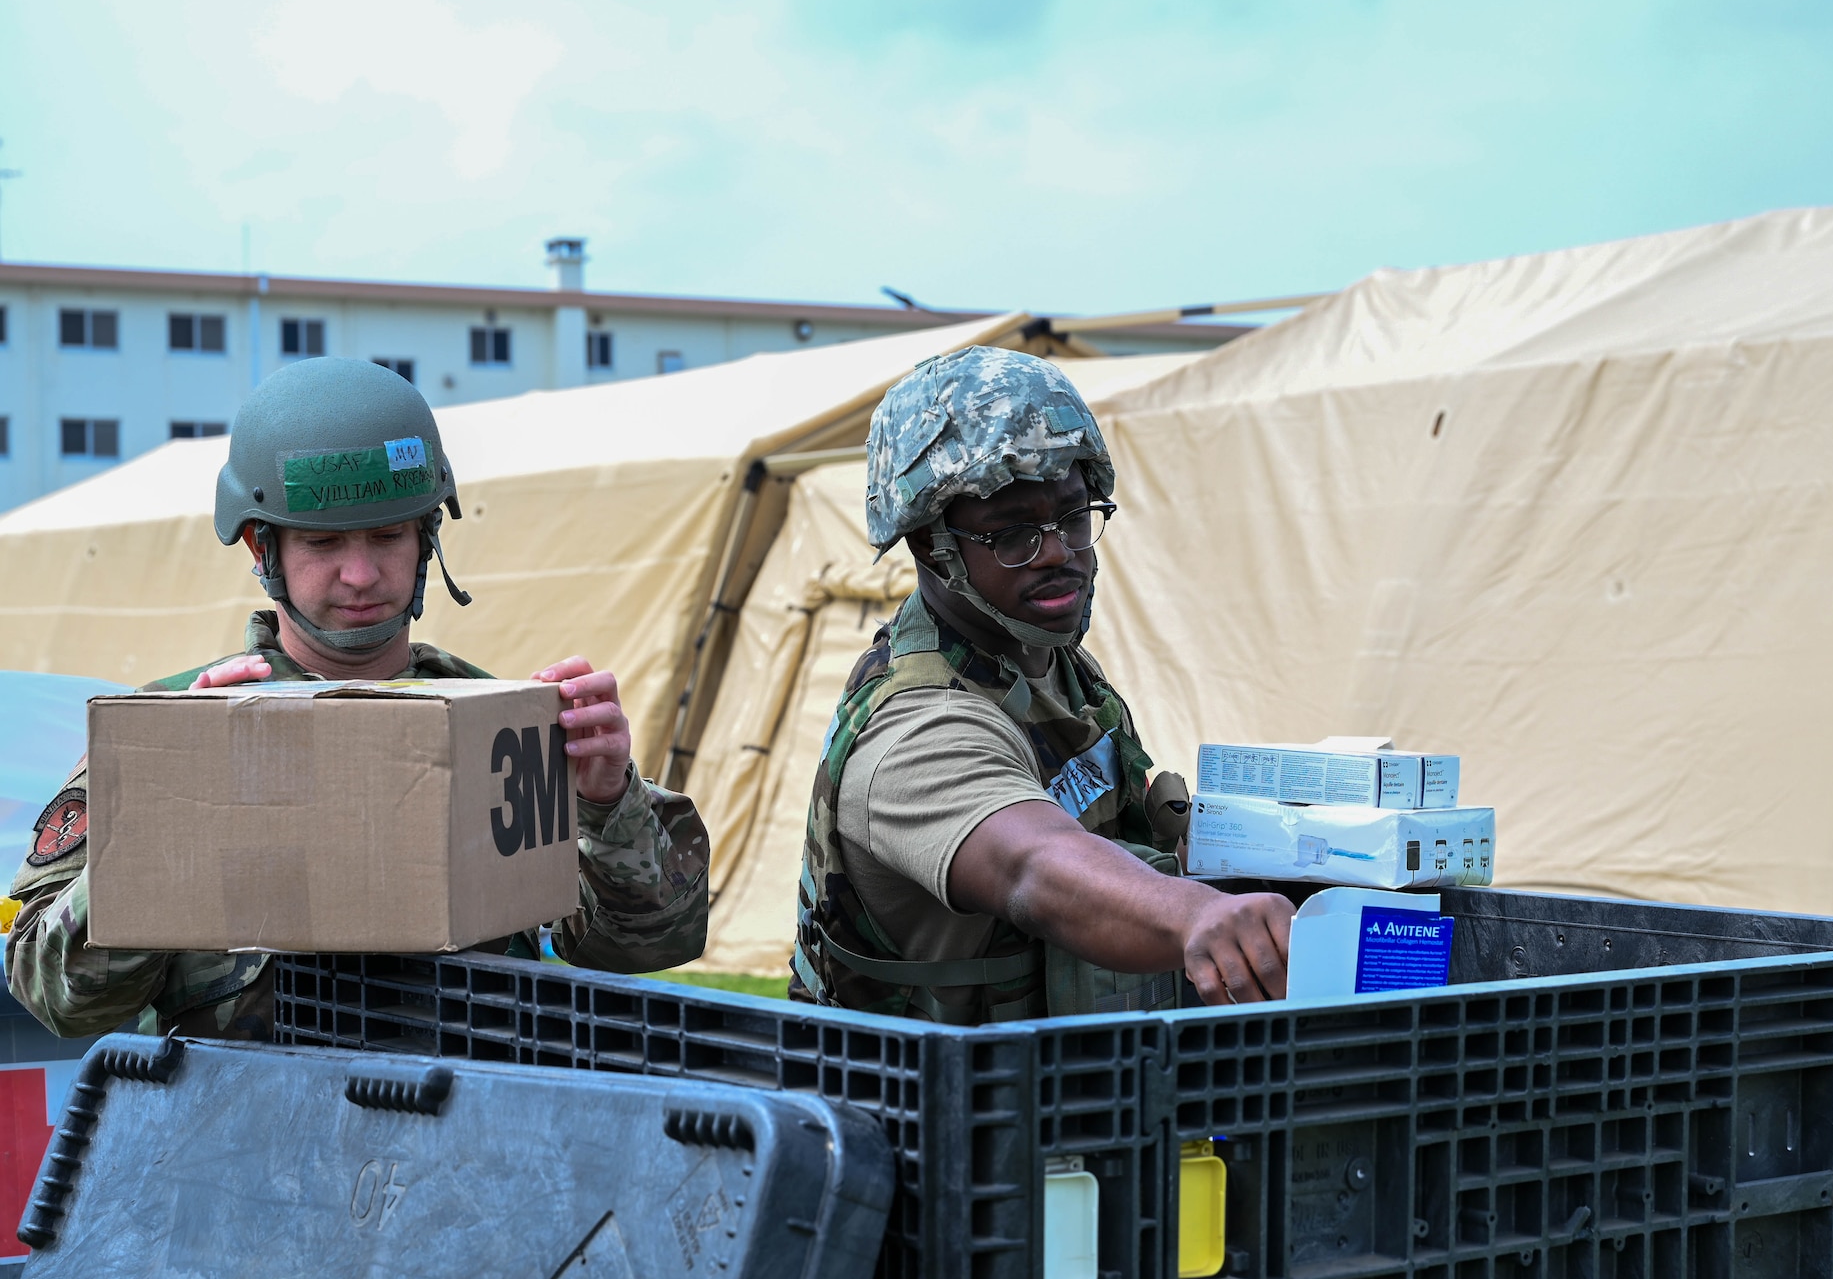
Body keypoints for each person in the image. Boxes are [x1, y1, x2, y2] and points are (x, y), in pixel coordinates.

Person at [7, 357, 708, 1039]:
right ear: (262, 548)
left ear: (426, 536)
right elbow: (56, 997)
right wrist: (169, 817)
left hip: (474, 1135)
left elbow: (648, 943)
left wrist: (607, 800)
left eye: (388, 534)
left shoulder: (496, 724)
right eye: (323, 541)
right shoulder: (171, 729)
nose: (362, 572)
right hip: (242, 1145)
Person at [791, 346, 1291, 1023]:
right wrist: (1197, 912)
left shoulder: (1052, 668)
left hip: (1073, 1095)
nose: (1058, 551)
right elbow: (1033, 863)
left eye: (1073, 517)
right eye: (1013, 533)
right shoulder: (916, 728)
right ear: (930, 547)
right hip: (933, 1111)